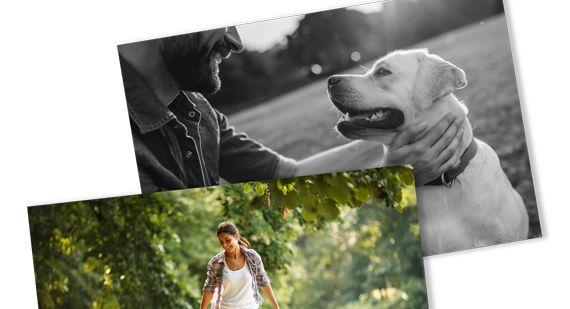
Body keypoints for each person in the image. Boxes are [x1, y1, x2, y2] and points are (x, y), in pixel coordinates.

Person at [118, 28, 465, 193]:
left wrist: (408, 137)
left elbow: (288, 175)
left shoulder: (198, 111)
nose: (236, 42)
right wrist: (393, 178)